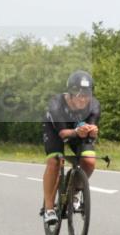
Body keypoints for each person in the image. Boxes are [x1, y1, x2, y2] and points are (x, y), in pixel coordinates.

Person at [40, 71, 101, 227]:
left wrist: (93, 130)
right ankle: (48, 208)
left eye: (86, 95)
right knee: (55, 161)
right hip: (56, 130)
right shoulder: (56, 104)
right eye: (78, 94)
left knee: (89, 161)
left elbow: (92, 126)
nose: (83, 99)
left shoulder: (94, 105)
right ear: (70, 93)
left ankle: (74, 191)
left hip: (78, 129)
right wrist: (76, 132)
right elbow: (62, 134)